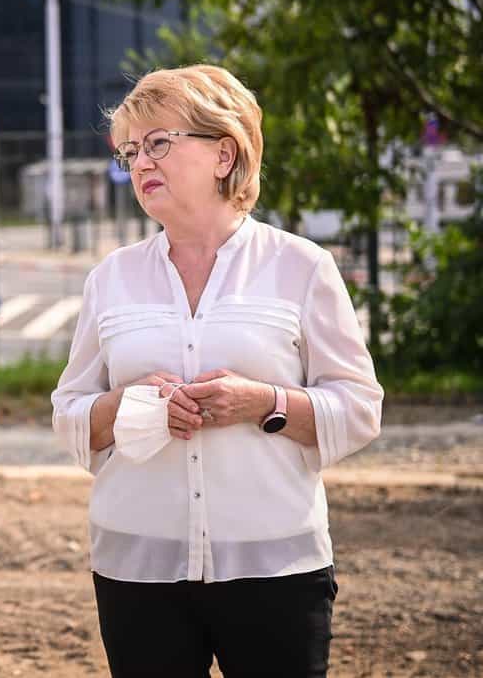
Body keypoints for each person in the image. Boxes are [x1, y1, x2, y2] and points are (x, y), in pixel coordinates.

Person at [50, 65, 383, 677]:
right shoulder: (111, 278)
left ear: (224, 154)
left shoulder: (302, 267)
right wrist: (121, 406)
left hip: (276, 569)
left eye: (158, 143)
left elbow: (360, 407)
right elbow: (69, 414)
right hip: (136, 570)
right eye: (130, 151)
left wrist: (265, 403)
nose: (140, 164)